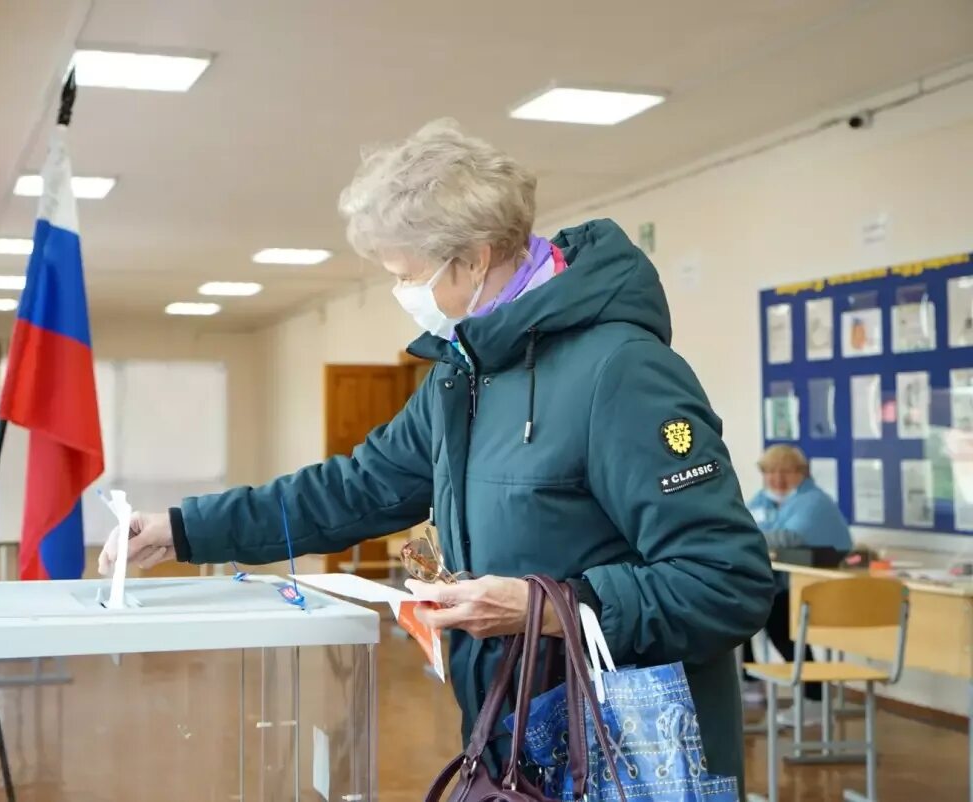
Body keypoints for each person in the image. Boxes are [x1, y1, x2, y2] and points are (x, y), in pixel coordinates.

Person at [98, 120, 775, 788]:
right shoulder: (463, 372)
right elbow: (357, 488)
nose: (401, 293)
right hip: (512, 736)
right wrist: (185, 527)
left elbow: (728, 582)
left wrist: (540, 605)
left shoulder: (621, 370)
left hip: (624, 751)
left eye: (407, 274)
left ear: (475, 257)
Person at [743, 444, 853, 721]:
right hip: (785, 585)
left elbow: (788, 538)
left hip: (820, 590)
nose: (777, 479)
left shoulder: (814, 501)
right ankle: (747, 679)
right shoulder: (764, 501)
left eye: (785, 472)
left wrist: (744, 536)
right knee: (738, 604)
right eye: (770, 472)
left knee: (777, 617)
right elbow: (744, 526)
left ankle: (814, 698)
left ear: (802, 473)